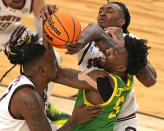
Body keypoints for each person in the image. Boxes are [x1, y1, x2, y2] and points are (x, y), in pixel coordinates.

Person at [65, 1, 157, 130]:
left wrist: (120, 42)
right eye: (101, 10)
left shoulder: (129, 42)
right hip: (93, 117)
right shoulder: (86, 37)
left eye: (110, 11)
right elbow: (94, 29)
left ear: (121, 22)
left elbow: (150, 81)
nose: (102, 13)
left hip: (123, 117)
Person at [0, 31, 103, 131]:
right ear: (42, 71)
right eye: (51, 61)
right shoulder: (28, 97)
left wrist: (47, 26)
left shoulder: (36, 79)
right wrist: (74, 120)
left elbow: (47, 52)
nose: (54, 61)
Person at [53, 23, 149, 130]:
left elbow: (56, 74)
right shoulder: (127, 78)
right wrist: (82, 41)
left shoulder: (98, 79)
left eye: (114, 53)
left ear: (121, 68)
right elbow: (97, 32)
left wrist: (49, 37)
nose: (108, 50)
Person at [0, 0, 69, 123]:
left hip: (8, 31)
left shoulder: (35, 1)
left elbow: (43, 41)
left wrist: (48, 18)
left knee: (51, 59)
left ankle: (44, 105)